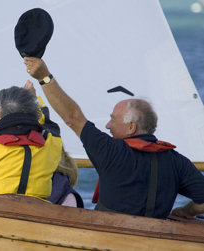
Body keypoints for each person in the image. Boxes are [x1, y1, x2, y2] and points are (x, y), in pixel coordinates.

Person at [24, 56, 204, 219]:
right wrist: (185, 212)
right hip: (154, 242)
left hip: (107, 240)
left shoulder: (110, 150)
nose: (107, 125)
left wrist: (44, 77)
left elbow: (72, 117)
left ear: (131, 127)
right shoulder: (177, 162)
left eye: (112, 119)